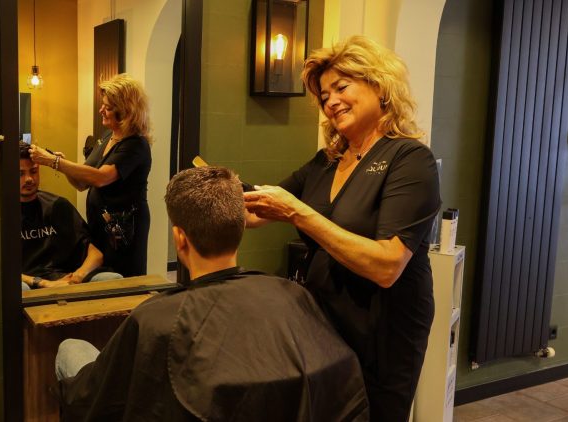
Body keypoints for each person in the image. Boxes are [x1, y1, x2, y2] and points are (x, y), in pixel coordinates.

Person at [53, 166, 369, 421]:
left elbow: (96, 400)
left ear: (180, 239)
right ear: (241, 228)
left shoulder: (153, 318)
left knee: (71, 349)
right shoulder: (292, 294)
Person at [244, 35, 441, 421]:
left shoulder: (409, 159)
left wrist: (299, 214)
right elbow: (256, 210)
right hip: (325, 325)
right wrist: (217, 189)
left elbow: (387, 266)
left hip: (383, 335)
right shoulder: (327, 161)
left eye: (341, 87)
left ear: (378, 86)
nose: (331, 101)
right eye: (324, 95)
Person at [29, 74, 152, 277]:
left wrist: (54, 162)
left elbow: (100, 178)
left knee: (124, 281)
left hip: (124, 231)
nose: (101, 110)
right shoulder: (108, 137)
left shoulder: (136, 145)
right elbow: (82, 183)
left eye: (108, 107)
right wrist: (59, 163)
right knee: (101, 275)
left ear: (126, 111)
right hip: (100, 226)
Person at [19, 142, 121, 290]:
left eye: (33, 171)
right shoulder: (3, 216)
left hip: (66, 279)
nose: (29, 179)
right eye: (21, 174)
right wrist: (43, 283)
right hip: (31, 284)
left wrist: (77, 276)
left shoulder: (58, 206)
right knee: (21, 289)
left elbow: (96, 254)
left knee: (112, 279)